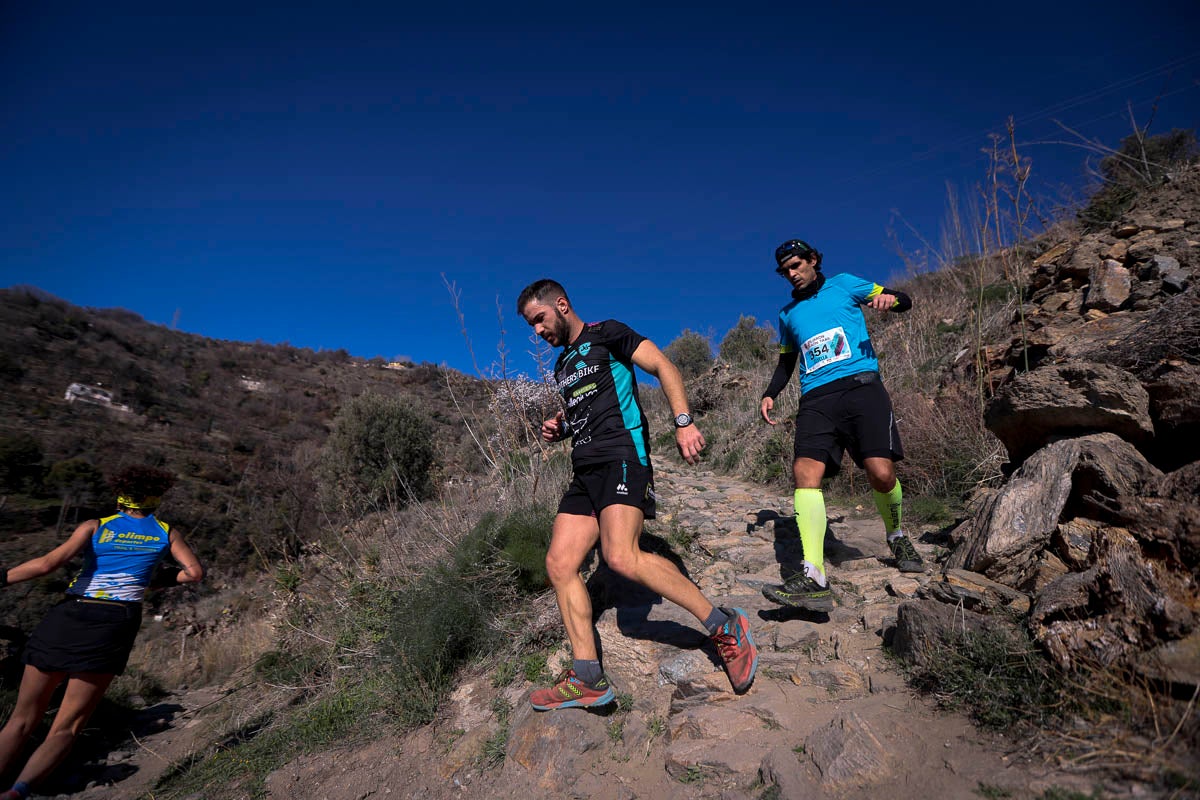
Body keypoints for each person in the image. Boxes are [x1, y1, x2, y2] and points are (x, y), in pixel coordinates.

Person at [517, 278, 757, 710]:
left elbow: (664, 365)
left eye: (539, 320)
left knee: (620, 557)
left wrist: (683, 422)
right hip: (584, 471)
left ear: (562, 305)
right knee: (559, 563)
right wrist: (560, 428)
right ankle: (587, 675)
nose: (537, 332)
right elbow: (582, 410)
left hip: (623, 456)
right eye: (531, 326)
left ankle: (725, 626)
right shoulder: (562, 366)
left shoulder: (607, 333)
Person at [0, 466, 203, 800]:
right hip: (113, 625)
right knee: (66, 727)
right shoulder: (166, 532)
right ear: (155, 500)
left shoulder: (96, 526)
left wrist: (2, 577)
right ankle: (17, 793)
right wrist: (151, 580)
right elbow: (193, 573)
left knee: (21, 720)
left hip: (70, 615)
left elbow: (47, 565)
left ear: (121, 496)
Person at [759, 238, 924, 612]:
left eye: (797, 265)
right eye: (785, 270)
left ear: (814, 260)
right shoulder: (787, 315)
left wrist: (890, 300)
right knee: (804, 472)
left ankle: (896, 535)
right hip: (816, 399)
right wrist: (770, 393)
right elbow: (787, 362)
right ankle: (814, 574)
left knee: (881, 474)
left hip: (862, 388)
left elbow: (902, 299)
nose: (792, 273)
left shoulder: (846, 284)